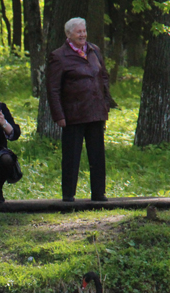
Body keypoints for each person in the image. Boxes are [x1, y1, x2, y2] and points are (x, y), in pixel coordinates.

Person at [46, 17, 112, 202]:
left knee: (97, 156)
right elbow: (53, 89)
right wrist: (58, 115)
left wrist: (105, 102)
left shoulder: (94, 50)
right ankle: (68, 195)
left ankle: (99, 194)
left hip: (96, 111)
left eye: (84, 31)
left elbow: (103, 77)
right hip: (73, 114)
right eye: (79, 32)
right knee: (71, 156)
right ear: (68, 34)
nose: (83, 35)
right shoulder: (59, 56)